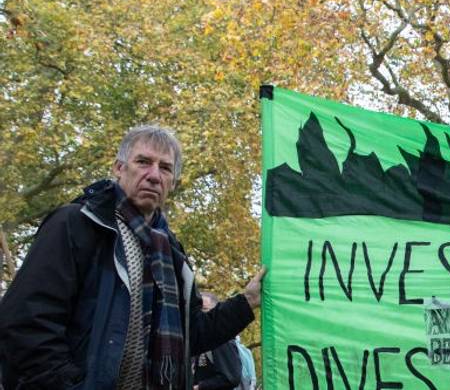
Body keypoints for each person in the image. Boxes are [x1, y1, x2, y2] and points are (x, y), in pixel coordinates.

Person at [0, 126, 264, 390]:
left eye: (165, 168)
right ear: (119, 168)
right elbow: (26, 322)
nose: (153, 175)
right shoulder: (76, 224)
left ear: (172, 182)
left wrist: (247, 302)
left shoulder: (171, 254)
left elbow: (191, 334)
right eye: (143, 162)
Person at [193, 293, 243, 390]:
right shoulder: (200, 339)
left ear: (216, 313)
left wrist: (199, 387)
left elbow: (232, 377)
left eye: (204, 309)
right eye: (197, 310)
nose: (201, 315)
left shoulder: (222, 341)